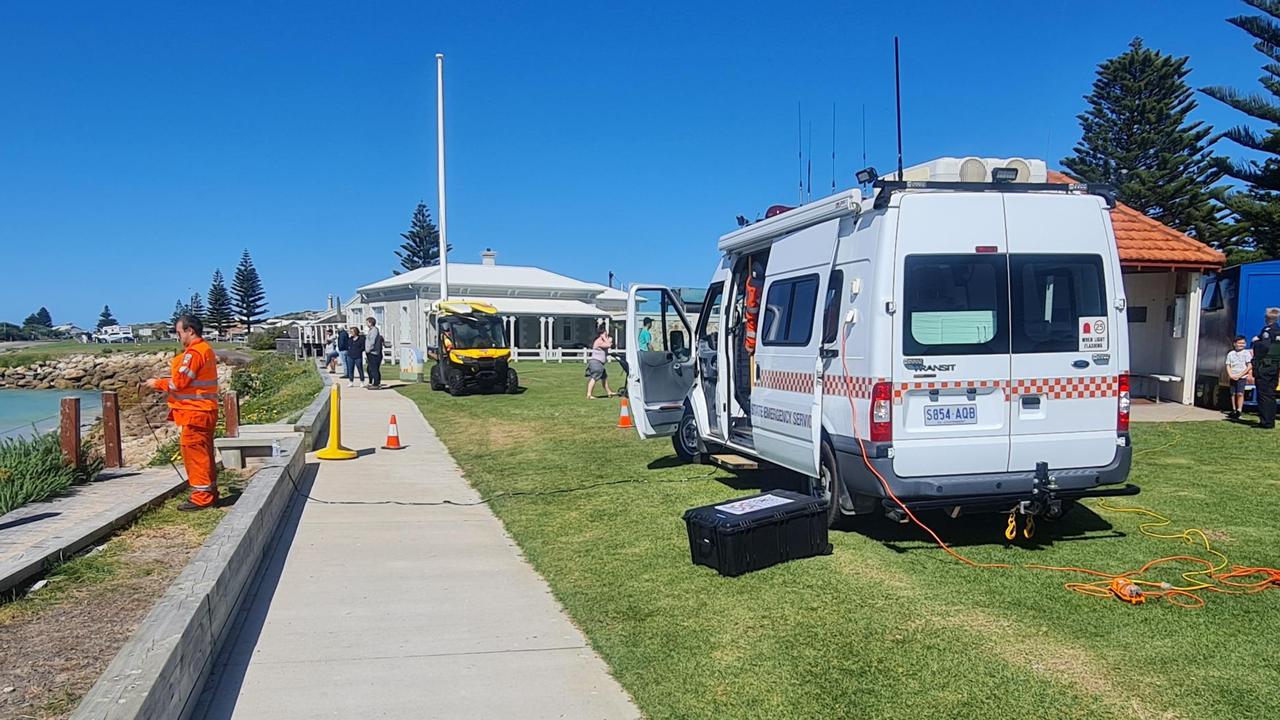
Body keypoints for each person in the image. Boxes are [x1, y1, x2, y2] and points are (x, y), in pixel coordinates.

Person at [144, 314, 220, 511]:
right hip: (204, 411)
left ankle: (201, 497)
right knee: (204, 454)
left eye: (179, 332)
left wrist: (156, 383)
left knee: (195, 455)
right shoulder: (206, 350)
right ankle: (209, 492)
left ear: (190, 331)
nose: (178, 337)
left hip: (196, 413)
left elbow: (178, 382)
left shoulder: (194, 353)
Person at [1250, 307, 1280, 430]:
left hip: (1265, 366)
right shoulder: (1278, 330)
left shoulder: (1267, 331)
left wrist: (1256, 342)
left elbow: (1265, 347)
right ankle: (1270, 420)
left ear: (1267, 318)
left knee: (1263, 394)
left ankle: (1265, 422)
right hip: (1274, 366)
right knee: (1271, 394)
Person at [1225, 335, 1253, 420]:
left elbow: (1249, 366)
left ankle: (1239, 410)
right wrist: (1230, 375)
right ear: (1235, 344)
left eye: (1243, 343)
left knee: (1240, 393)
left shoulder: (1246, 353)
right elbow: (1228, 365)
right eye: (1239, 343)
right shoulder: (1231, 353)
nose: (1241, 344)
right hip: (1233, 376)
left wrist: (1240, 375)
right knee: (1233, 393)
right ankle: (1233, 409)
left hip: (1242, 377)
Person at [586, 324, 614, 399]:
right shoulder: (598, 341)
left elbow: (609, 343)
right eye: (605, 333)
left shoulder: (602, 341)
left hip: (600, 364)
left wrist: (607, 339)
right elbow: (608, 345)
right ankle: (589, 394)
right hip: (596, 363)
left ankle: (609, 392)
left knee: (604, 377)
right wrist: (605, 338)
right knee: (594, 378)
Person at [365, 317, 383, 389]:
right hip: (371, 352)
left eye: (367, 322)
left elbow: (372, 341)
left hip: (374, 353)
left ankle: (376, 384)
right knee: (369, 368)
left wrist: (368, 350)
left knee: (374, 369)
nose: (366, 324)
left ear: (370, 322)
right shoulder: (371, 330)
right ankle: (372, 382)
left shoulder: (374, 330)